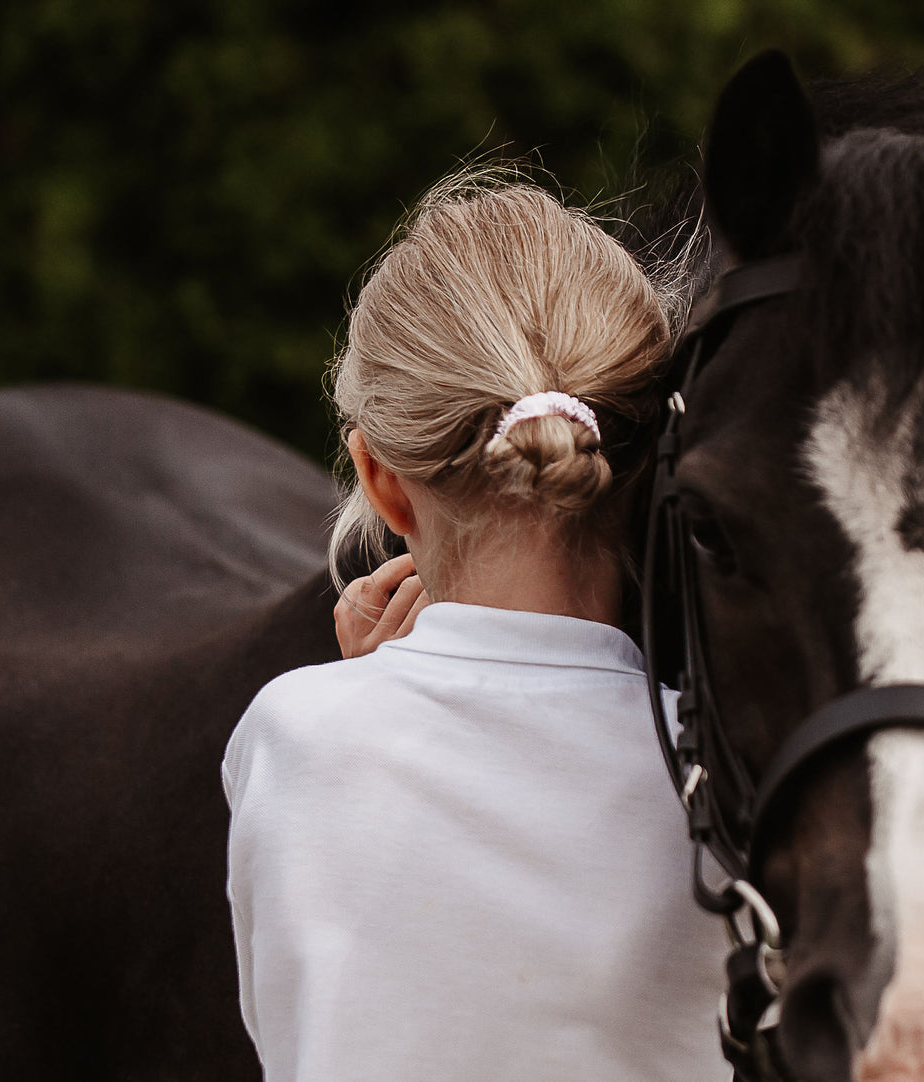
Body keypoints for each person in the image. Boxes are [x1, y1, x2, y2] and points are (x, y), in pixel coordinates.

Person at [222, 176, 729, 1082]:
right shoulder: (716, 787)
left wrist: (363, 695)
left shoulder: (291, 737)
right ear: (645, 460)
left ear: (377, 479)